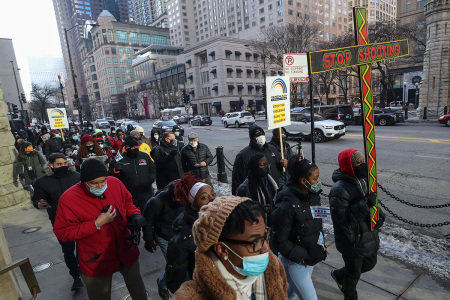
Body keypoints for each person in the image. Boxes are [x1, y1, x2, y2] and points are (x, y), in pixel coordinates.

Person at [53, 159, 147, 300]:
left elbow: (127, 202)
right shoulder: (68, 199)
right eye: (94, 183)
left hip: (125, 248)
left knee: (137, 286)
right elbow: (63, 232)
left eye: (103, 181)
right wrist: (95, 224)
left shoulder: (115, 183)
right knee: (99, 295)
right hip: (96, 258)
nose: (100, 185)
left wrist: (135, 214)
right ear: (84, 181)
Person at [174, 197, 288, 299]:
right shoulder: (191, 297)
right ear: (222, 250)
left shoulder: (274, 268)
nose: (266, 248)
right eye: (255, 241)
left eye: (265, 236)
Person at [329, 149, 385, 300]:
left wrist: (379, 215)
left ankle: (339, 274)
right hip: (351, 240)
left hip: (367, 233)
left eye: (362, 161)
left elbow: (371, 201)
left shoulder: (363, 179)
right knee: (354, 273)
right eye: (358, 163)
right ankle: (350, 294)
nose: (363, 165)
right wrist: (365, 203)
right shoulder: (339, 189)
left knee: (369, 263)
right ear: (349, 166)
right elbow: (341, 219)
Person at [271, 156, 327, 300]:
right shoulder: (286, 204)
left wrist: (320, 245)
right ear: (303, 181)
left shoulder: (312, 195)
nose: (318, 182)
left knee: (294, 292)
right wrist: (306, 256)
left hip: (310, 256)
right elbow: (280, 242)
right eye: (315, 178)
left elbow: (317, 223)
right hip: (294, 263)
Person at [32, 153, 82, 291]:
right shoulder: (42, 182)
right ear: (51, 165)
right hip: (60, 222)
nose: (63, 166)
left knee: (83, 248)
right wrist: (39, 203)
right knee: (68, 250)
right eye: (59, 164)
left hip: (80, 220)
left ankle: (84, 270)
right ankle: (76, 276)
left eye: (65, 163)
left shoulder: (77, 177)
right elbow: (36, 199)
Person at [165, 173, 216, 293]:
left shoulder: (221, 218)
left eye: (213, 194)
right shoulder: (184, 237)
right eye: (204, 197)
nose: (212, 199)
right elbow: (176, 283)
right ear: (193, 205)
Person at [142, 179, 185, 300]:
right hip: (165, 237)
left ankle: (166, 281)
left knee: (182, 265)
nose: (181, 201)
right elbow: (147, 222)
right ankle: (163, 283)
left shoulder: (185, 199)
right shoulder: (156, 202)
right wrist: (149, 240)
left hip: (182, 236)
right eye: (178, 199)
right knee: (175, 266)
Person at [232, 124, 286, 195]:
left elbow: (280, 170)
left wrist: (284, 165)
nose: (261, 136)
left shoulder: (272, 149)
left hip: (274, 191)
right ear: (252, 138)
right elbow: (237, 180)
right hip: (255, 194)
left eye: (262, 134)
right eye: (258, 135)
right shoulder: (243, 155)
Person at [110, 136, 156, 211]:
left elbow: (152, 168)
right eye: (132, 147)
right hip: (129, 193)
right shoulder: (120, 158)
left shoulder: (144, 156)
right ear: (127, 148)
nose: (135, 149)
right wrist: (116, 170)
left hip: (145, 192)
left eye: (136, 146)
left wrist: (151, 179)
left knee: (148, 212)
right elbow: (111, 176)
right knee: (132, 213)